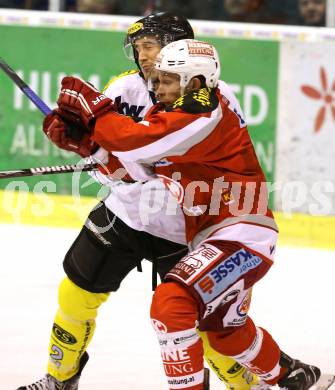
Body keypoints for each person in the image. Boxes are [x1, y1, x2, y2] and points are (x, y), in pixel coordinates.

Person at [47, 38, 322, 390]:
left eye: (165, 80)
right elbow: (136, 170)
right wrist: (89, 146)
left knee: (172, 304)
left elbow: (136, 141)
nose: (155, 86)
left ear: (193, 82)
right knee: (227, 335)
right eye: (156, 78)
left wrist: (97, 113)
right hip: (214, 235)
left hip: (242, 233)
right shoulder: (171, 114)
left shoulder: (205, 111)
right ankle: (294, 376)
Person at [16, 13, 261, 390]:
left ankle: (249, 385)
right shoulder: (124, 90)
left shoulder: (211, 97)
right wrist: (85, 146)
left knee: (206, 324)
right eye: (138, 48)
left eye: (151, 45)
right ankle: (59, 378)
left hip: (188, 228)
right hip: (128, 214)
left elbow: (169, 155)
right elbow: (103, 158)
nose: (143, 56)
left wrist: (129, 163)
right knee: (75, 295)